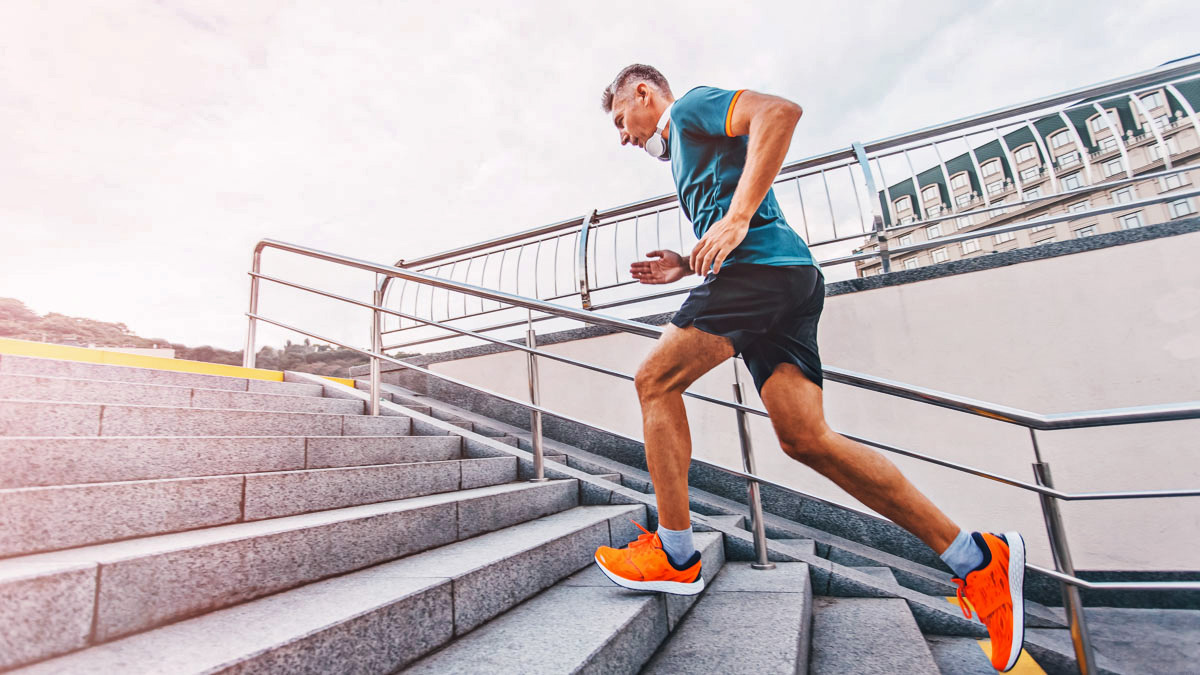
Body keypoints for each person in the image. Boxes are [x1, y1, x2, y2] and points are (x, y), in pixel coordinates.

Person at [590, 64, 1027, 672]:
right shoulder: (690, 151)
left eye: (620, 121)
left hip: (761, 275)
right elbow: (735, 212)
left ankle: (676, 553)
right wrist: (687, 265)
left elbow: (780, 112)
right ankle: (977, 558)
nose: (623, 138)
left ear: (643, 94)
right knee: (806, 439)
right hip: (787, 281)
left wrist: (737, 220)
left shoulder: (689, 109)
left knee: (654, 381)